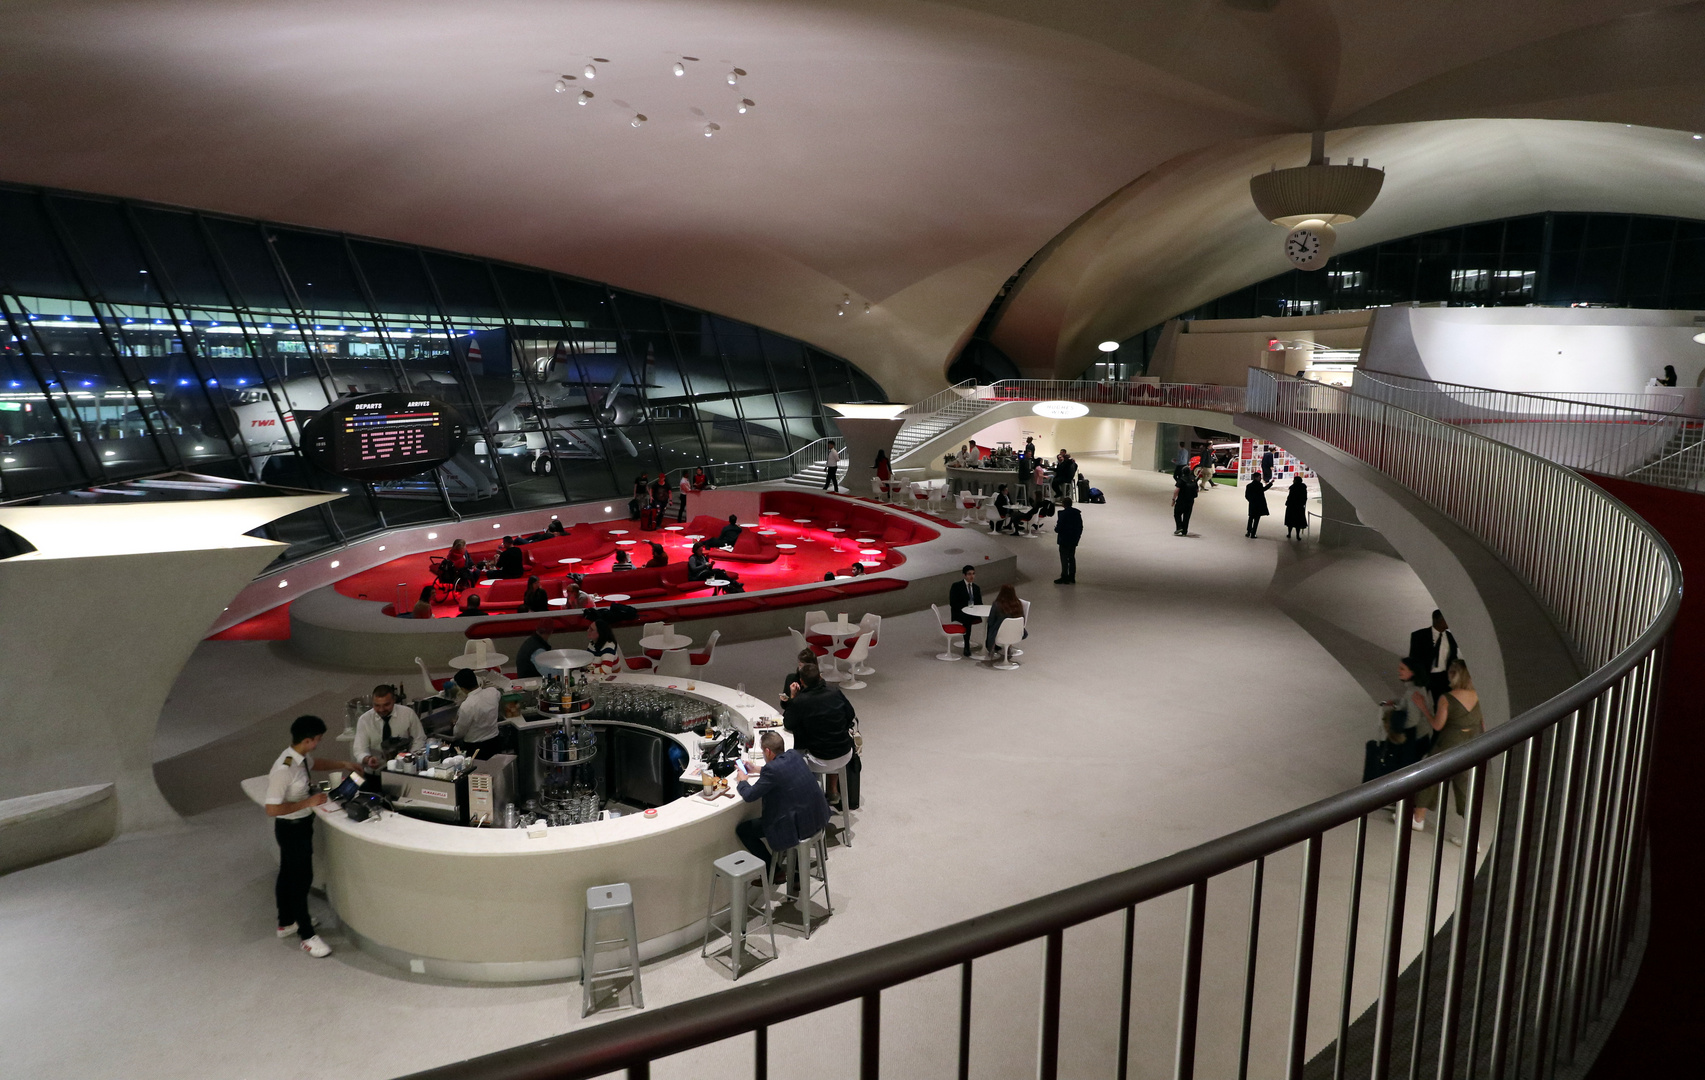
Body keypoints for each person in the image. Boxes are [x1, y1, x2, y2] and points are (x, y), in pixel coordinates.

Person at [264, 714, 357, 958]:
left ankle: (286, 922)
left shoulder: (299, 757)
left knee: (287, 875)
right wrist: (309, 801)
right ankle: (306, 935)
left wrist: (344, 764)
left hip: (301, 826)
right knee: (300, 881)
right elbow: (272, 809)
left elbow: (316, 764)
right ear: (308, 740)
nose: (318, 743)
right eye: (317, 740)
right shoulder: (283, 769)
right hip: (291, 829)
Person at [733, 730, 834, 876]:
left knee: (744, 831)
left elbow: (749, 795)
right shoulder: (794, 755)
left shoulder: (772, 770)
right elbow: (780, 772)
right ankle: (796, 874)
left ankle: (773, 873)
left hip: (797, 827)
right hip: (817, 816)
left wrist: (742, 781)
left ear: (767, 751)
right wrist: (756, 769)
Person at [1412, 660, 1484, 840]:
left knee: (1429, 777)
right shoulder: (1479, 696)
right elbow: (1484, 725)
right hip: (1470, 747)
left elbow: (1437, 725)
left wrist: (1423, 708)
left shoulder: (1448, 698)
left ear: (1455, 675)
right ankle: (1472, 838)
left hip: (1448, 744)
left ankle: (1418, 819)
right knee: (1464, 790)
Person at [781, 665, 857, 777]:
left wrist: (793, 698)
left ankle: (812, 789)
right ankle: (833, 790)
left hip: (820, 759)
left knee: (790, 756)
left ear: (801, 681)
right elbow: (850, 714)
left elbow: (788, 723)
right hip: (845, 753)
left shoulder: (800, 701)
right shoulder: (835, 692)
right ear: (820, 677)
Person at [1379, 658, 1435, 769]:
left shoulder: (1413, 692)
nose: (1399, 671)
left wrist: (1395, 725)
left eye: (1402, 669)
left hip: (1415, 740)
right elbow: (1408, 703)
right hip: (1423, 736)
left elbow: (1412, 720)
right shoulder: (1417, 688)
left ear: (1412, 672)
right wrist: (1396, 702)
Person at [352, 684, 424, 770]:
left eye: (386, 705)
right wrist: (368, 759)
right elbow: (359, 750)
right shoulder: (365, 720)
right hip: (375, 770)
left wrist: (409, 757)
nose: (381, 709)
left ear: (394, 700)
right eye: (377, 705)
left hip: (404, 768)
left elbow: (419, 739)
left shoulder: (407, 713)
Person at [451, 668, 504, 757]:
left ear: (462, 688)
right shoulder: (493, 692)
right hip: (495, 742)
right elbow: (497, 695)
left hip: (475, 748)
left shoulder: (467, 706)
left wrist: (455, 724)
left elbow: (458, 733)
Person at [1408, 610, 1459, 702]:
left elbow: (1454, 657)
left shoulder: (1451, 637)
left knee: (1443, 702)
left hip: (1444, 676)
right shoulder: (1419, 636)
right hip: (1426, 676)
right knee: (1424, 702)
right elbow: (1413, 659)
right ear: (1436, 620)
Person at [949, 564, 983, 657]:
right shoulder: (956, 586)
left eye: (973, 574)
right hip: (960, 612)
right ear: (964, 575)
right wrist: (966, 609)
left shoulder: (976, 588)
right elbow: (953, 602)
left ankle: (991, 643)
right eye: (969, 574)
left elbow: (979, 602)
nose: (972, 576)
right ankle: (966, 645)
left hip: (973, 611)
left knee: (991, 617)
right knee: (967, 620)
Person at [983, 583, 1027, 653]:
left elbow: (991, 621)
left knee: (990, 624)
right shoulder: (1018, 604)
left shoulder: (997, 605)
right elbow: (1023, 620)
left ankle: (990, 645)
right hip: (1017, 633)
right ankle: (1008, 646)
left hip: (1001, 634)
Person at [1054, 496, 1082, 584]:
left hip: (1064, 539)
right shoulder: (1077, 514)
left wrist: (1057, 529)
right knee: (1071, 558)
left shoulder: (1063, 514)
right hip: (1073, 539)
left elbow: (1059, 528)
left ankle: (1064, 576)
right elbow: (1080, 527)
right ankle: (1072, 576)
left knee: (1064, 558)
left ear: (1063, 505)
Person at [1172, 469, 1197, 536]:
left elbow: (1176, 490)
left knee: (1177, 514)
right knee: (1187, 516)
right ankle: (1184, 531)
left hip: (1181, 500)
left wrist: (1173, 499)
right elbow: (1197, 490)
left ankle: (1179, 527)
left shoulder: (1181, 480)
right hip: (1190, 501)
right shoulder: (1193, 479)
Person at [1283, 476, 1309, 540]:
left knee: (1290, 521)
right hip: (1299, 507)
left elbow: (1290, 497)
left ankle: (1289, 533)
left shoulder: (1293, 487)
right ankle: (1297, 535)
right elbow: (1304, 497)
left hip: (1291, 507)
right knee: (1298, 522)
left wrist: (1287, 503)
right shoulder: (1303, 488)